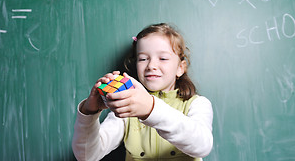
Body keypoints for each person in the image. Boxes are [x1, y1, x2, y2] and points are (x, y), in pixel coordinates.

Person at [72, 23, 213, 161]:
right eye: (143, 59)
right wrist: (89, 112)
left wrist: (150, 108)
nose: (151, 66)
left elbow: (202, 146)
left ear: (180, 68)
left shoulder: (198, 104)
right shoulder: (124, 111)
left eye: (163, 58)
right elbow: (86, 156)